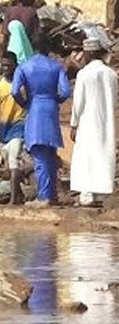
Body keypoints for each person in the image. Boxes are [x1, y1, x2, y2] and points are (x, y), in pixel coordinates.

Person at [11, 35, 69, 206]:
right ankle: (51, 195)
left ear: (33, 49)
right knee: (50, 154)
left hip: (34, 108)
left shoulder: (24, 67)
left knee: (39, 156)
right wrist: (53, 100)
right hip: (51, 109)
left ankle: (44, 197)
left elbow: (15, 91)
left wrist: (26, 104)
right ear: (48, 49)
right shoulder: (56, 66)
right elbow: (65, 91)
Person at [69, 38, 118, 207]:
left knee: (87, 155)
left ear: (89, 53)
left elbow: (78, 102)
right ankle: (99, 194)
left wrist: (74, 123)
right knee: (103, 153)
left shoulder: (84, 74)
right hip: (105, 121)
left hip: (87, 121)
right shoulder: (112, 74)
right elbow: (114, 100)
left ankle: (87, 194)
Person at [0, 52, 26, 204]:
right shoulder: (1, 84)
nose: (5, 68)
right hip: (2, 128)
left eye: (8, 65)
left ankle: (14, 198)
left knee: (14, 161)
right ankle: (18, 194)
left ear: (15, 65)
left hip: (17, 126)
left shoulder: (21, 85)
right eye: (3, 65)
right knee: (8, 163)